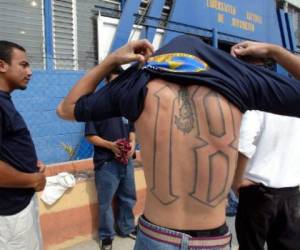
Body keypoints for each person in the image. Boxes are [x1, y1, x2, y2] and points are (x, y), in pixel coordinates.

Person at [57, 35, 300, 249]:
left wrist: (111, 60)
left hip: (156, 234)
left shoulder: (137, 83)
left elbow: (66, 109)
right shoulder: (237, 79)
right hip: (210, 240)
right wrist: (273, 51)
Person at [231, 41, 300, 250]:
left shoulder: (255, 97)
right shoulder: (291, 96)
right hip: (291, 193)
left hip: (258, 192)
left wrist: (235, 182)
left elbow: (244, 145)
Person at [0, 41, 46, 250]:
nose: (29, 72)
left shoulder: (5, 101)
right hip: (10, 215)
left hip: (20, 204)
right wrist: (32, 179)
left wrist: (29, 163)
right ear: (2, 65)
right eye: (24, 65)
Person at [85, 67, 137, 250]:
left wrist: (132, 143)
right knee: (106, 202)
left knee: (128, 197)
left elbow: (132, 129)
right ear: (107, 83)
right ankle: (106, 236)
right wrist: (111, 146)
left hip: (126, 161)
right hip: (106, 163)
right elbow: (90, 136)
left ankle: (127, 227)